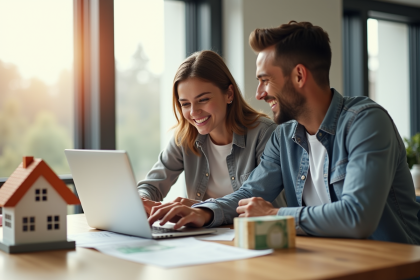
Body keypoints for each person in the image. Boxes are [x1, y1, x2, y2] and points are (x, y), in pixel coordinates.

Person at [148, 21, 420, 244]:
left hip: (391, 267)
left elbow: (358, 217)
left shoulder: (365, 122)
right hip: (328, 263)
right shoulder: (284, 136)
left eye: (265, 80)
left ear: (299, 77)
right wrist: (203, 213)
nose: (258, 94)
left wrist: (276, 215)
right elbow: (250, 193)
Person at [137, 50, 284, 215]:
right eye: (185, 104)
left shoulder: (265, 134)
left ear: (229, 94)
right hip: (207, 237)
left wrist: (202, 209)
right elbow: (151, 185)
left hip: (255, 235)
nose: (194, 112)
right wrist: (141, 200)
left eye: (203, 100)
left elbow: (256, 199)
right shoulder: (185, 137)